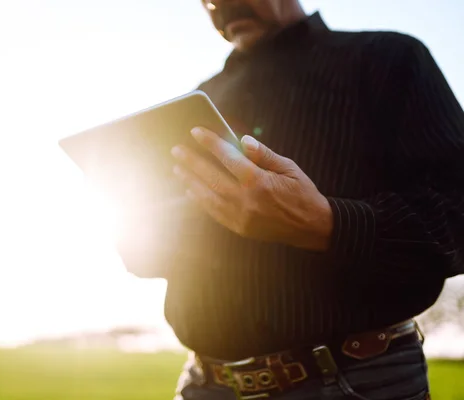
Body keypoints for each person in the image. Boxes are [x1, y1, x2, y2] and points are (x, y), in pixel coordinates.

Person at [116, 1, 464, 399]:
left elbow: (457, 210)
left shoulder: (390, 60)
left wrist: (329, 224)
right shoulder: (197, 101)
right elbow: (153, 254)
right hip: (204, 384)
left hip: (351, 381)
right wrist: (141, 232)